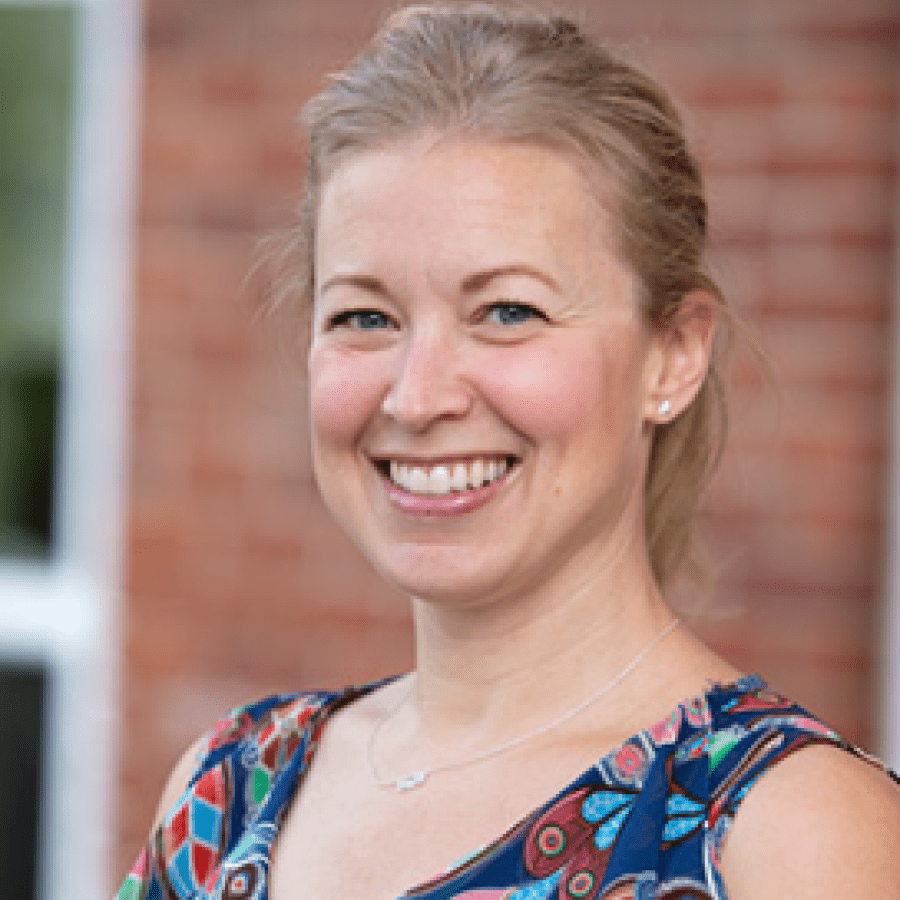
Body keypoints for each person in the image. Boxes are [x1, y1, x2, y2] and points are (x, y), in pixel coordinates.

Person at [116, 4, 900, 899]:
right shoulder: (228, 793)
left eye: (508, 312)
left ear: (673, 355)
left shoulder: (788, 834)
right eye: (365, 317)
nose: (417, 396)